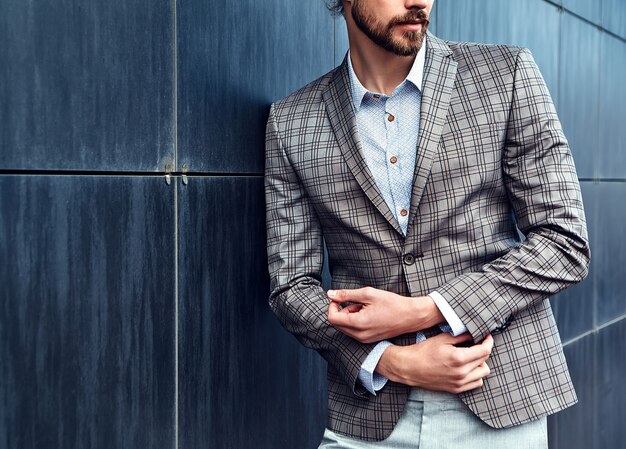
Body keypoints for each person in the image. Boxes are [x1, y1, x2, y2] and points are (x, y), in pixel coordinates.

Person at [264, 0, 590, 447]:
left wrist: (427, 309)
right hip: (367, 414)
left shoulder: (505, 74)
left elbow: (564, 242)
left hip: (496, 400)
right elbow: (290, 288)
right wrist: (389, 360)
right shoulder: (291, 123)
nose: (419, 0)